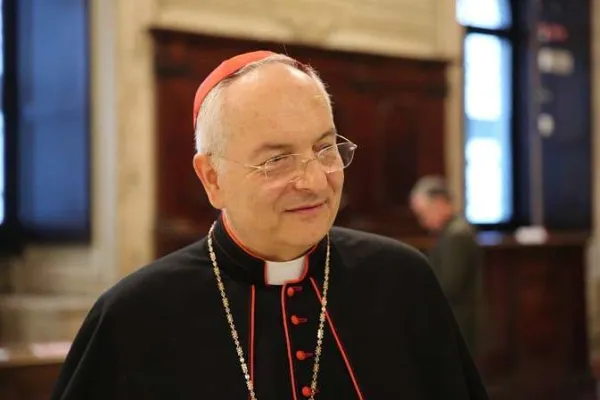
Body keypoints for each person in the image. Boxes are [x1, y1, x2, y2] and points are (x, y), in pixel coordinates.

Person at [51, 51, 489, 399]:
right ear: (212, 178)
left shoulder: (402, 280)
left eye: (325, 148)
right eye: (277, 160)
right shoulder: (133, 317)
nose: (314, 182)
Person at [410, 175, 484, 353]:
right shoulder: (450, 231)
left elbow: (450, 285)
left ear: (440, 202)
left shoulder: (456, 235)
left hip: (460, 321)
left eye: (424, 214)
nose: (423, 222)